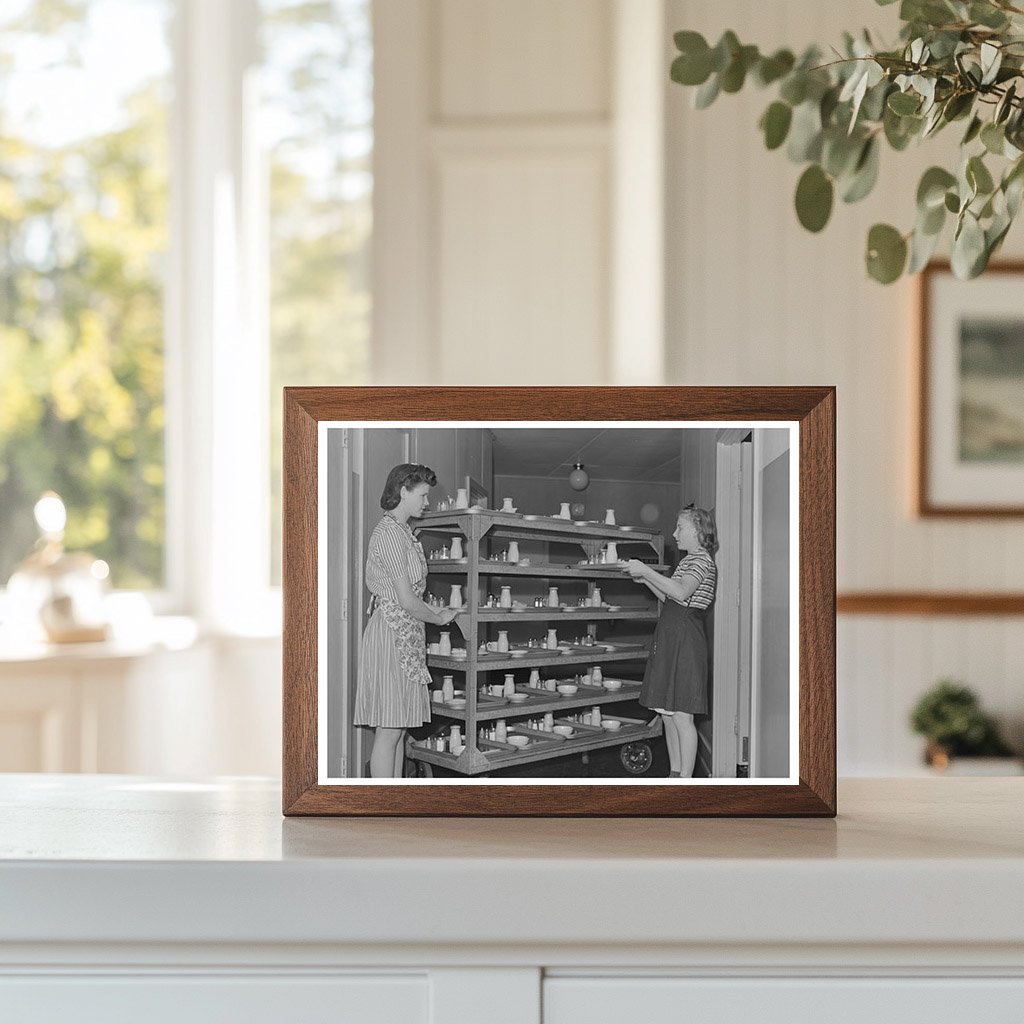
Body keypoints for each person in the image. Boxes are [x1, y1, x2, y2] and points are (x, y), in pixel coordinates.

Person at [354, 463, 459, 777]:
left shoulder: (404, 533)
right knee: (389, 730)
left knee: (398, 730)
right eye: (423, 495)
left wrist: (434, 615)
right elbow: (406, 600)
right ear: (403, 490)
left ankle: (394, 798)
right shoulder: (388, 534)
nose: (427, 502)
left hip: (407, 633)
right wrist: (438, 617)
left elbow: (411, 599)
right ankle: (383, 808)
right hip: (391, 634)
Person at [620, 507, 718, 778]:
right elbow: (670, 598)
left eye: (680, 528)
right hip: (672, 635)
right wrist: (644, 579)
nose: (675, 534)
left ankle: (685, 781)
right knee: (667, 712)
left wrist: (647, 572)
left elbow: (681, 591)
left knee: (683, 716)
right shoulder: (688, 562)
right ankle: (675, 773)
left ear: (698, 532)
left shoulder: (701, 561)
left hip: (685, 640)